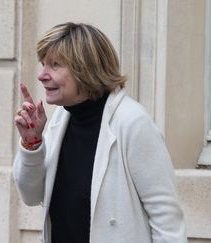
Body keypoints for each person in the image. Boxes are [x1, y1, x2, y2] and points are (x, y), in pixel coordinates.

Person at [13, 22, 186, 243]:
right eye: (43, 64)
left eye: (55, 65)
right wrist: (32, 144)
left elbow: (167, 219)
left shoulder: (132, 122)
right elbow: (31, 196)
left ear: (86, 69)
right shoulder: (60, 118)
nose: (42, 75)